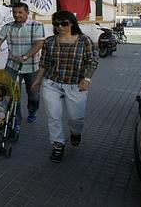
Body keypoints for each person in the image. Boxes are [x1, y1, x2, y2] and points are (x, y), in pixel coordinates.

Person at [31, 10, 98, 163]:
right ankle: (58, 145)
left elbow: (92, 61)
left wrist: (87, 79)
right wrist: (38, 80)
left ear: (72, 23)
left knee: (76, 118)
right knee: (53, 117)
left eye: (64, 23)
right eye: (56, 24)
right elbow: (44, 63)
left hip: (76, 84)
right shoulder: (49, 41)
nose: (60, 27)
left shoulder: (84, 41)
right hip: (52, 83)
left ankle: (75, 133)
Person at [0, 2, 45, 128]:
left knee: (33, 95)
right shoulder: (8, 26)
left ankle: (32, 110)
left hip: (32, 66)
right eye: (14, 12)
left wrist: (25, 57)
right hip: (12, 66)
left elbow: (39, 44)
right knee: (12, 94)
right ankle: (16, 119)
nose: (17, 15)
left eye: (20, 12)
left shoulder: (37, 26)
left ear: (27, 13)